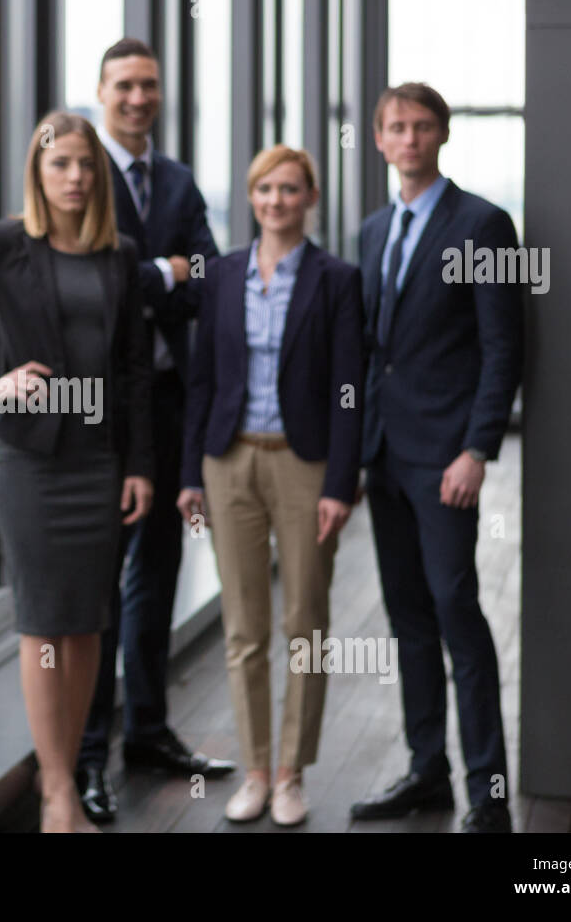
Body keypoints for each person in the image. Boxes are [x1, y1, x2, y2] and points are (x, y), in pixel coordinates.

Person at [0, 111, 154, 833]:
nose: (76, 177)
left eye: (86, 165)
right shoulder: (4, 243)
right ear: (38, 172)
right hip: (29, 462)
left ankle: (69, 769)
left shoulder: (120, 256)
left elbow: (136, 372)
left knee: (86, 626)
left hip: (99, 464)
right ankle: (56, 789)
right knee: (42, 627)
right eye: (61, 165)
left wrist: (140, 464)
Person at [349, 82, 522, 833]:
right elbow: (372, 351)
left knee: (457, 611)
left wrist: (478, 447)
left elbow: (504, 345)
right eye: (396, 127)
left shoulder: (485, 224)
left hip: (446, 456)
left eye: (422, 126)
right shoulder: (370, 230)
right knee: (409, 616)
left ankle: (489, 790)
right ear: (381, 141)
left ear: (442, 135)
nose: (410, 138)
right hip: (384, 454)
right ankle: (427, 770)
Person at [177, 145, 363, 825]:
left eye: (290, 189)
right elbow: (203, 378)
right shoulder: (224, 276)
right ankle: (255, 770)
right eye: (265, 189)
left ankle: (292, 774)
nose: (277, 200)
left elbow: (350, 389)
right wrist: (190, 472)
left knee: (304, 622)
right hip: (228, 463)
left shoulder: (337, 279)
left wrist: (342, 482)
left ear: (310, 197)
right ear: (252, 197)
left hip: (305, 464)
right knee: (244, 626)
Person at [77, 37, 233, 823]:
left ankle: (147, 730)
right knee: (100, 586)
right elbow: (92, 279)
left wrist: (163, 277)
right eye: (125, 85)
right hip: (100, 409)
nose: (139, 98)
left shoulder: (175, 180)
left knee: (158, 573)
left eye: (150, 85)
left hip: (169, 403)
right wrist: (162, 274)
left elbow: (209, 274)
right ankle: (86, 756)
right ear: (100, 91)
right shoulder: (79, 167)